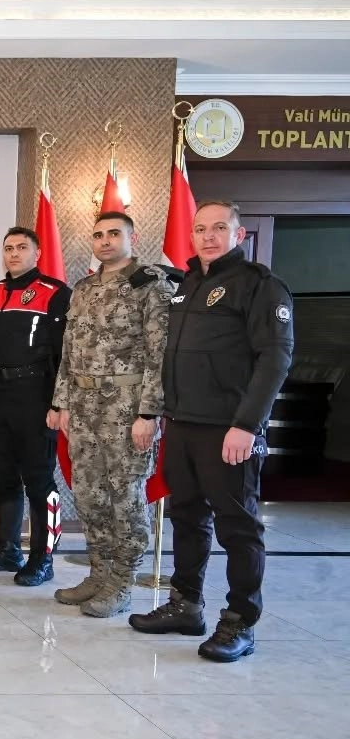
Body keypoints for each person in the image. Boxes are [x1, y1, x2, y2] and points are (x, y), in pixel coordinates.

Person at [129, 201, 294, 662]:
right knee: (186, 517)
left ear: (238, 235)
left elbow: (275, 359)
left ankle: (240, 622)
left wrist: (247, 425)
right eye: (200, 229)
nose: (208, 236)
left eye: (219, 228)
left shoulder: (260, 285)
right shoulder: (189, 285)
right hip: (183, 425)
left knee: (238, 528)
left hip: (229, 430)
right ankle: (186, 605)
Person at [48, 212, 177, 616]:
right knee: (89, 495)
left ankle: (122, 582)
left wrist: (149, 414)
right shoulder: (84, 288)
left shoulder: (151, 285)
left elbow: (159, 355)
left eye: (114, 234)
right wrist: (62, 403)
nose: (105, 241)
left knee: (125, 498)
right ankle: (99, 573)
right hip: (84, 408)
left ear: (131, 238)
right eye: (98, 234)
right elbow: (69, 350)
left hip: (126, 409)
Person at [0, 227, 71, 586]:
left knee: (39, 480)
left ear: (37, 253)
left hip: (34, 397)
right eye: (9, 248)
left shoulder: (54, 293)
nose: (14, 253)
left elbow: (64, 354)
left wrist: (58, 403)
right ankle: (8, 549)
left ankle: (43, 557)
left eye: (22, 247)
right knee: (3, 477)